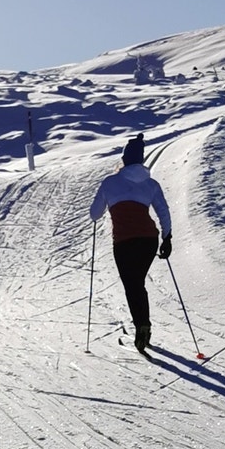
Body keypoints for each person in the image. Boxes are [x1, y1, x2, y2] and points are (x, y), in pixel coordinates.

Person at [88, 134, 172, 354]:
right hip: (148, 239)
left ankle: (142, 327)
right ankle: (143, 325)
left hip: (124, 241)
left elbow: (95, 214)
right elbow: (163, 211)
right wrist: (167, 237)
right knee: (138, 283)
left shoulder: (110, 182)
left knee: (132, 285)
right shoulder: (151, 184)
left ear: (124, 159)